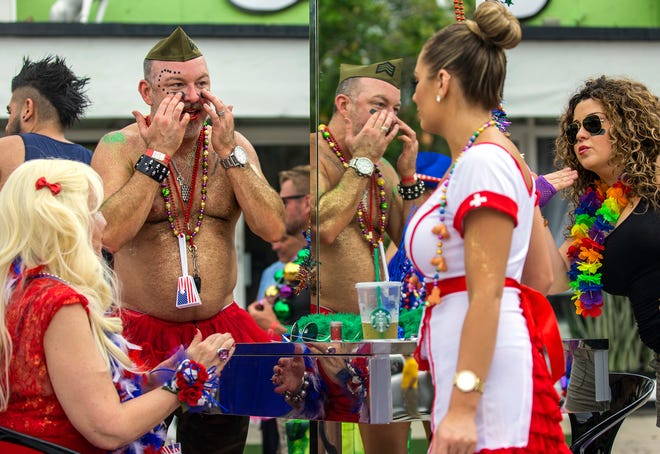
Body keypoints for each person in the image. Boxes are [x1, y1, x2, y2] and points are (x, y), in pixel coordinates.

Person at [90, 26, 285, 454]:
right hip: (140, 335)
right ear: (147, 91)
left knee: (219, 448)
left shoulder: (233, 146)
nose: (194, 96)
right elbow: (111, 235)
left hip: (220, 331)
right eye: (177, 85)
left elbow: (272, 228)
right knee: (136, 447)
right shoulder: (119, 146)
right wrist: (157, 154)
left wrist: (231, 153)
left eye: (203, 84)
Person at [403, 2, 569, 452]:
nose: (412, 95)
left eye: (417, 80)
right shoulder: (494, 158)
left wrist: (462, 408)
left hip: (482, 388)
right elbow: (536, 277)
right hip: (480, 374)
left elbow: (490, 292)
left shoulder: (483, 163)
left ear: (442, 82)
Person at [0, 159, 235, 454]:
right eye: (95, 211)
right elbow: (110, 429)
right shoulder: (60, 301)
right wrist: (193, 374)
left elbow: (63, 388)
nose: (103, 222)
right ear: (70, 223)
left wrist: (153, 379)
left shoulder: (18, 290)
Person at [311, 59, 419, 454]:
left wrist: (406, 176)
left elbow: (410, 241)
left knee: (392, 446)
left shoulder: (383, 166)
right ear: (344, 104)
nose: (390, 119)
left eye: (395, 110)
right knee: (331, 445)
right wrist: (362, 160)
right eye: (378, 106)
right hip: (328, 332)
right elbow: (324, 227)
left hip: (382, 328)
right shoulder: (316, 152)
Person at [546, 75, 660, 426]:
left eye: (593, 124)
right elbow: (548, 280)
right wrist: (533, 204)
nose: (580, 134)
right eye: (574, 129)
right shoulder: (596, 215)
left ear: (628, 126)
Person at [0, 56, 92, 188]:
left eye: (10, 112)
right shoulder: (93, 161)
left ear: (27, 108)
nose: (7, 126)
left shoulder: (6, 149)